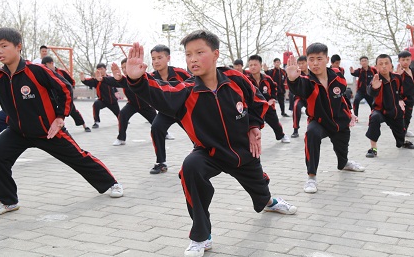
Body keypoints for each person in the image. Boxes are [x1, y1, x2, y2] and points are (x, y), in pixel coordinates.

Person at [125, 30, 297, 257]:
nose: (193, 59)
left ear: (215, 54)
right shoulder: (186, 91)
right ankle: (201, 236)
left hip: (242, 153)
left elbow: (257, 101)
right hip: (209, 153)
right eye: (188, 54)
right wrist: (136, 80)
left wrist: (254, 126)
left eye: (199, 52)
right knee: (190, 168)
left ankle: (270, 201)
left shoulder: (237, 79)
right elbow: (159, 93)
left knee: (262, 192)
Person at [0, 27, 123, 217]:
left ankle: (112, 183)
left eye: (4, 46)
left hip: (48, 131)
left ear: (18, 47)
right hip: (18, 132)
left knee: (78, 157)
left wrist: (59, 117)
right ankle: (8, 201)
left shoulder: (36, 71)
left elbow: (64, 88)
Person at [286, 42, 364, 194]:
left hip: (340, 120)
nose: (315, 63)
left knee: (342, 149)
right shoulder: (306, 81)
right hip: (319, 122)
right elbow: (298, 88)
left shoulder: (338, 76)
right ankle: (311, 177)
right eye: (311, 59)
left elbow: (343, 96)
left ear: (327, 59)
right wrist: (292, 79)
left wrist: (350, 112)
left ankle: (345, 163)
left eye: (319, 59)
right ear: (307, 61)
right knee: (311, 134)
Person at [147, 44, 191, 174]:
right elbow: (134, 83)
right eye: (153, 58)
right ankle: (161, 163)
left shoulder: (180, 73)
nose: (156, 61)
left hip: (184, 111)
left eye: (159, 57)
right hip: (166, 112)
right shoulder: (151, 76)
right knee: (156, 128)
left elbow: (196, 83)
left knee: (197, 134)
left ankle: (207, 157)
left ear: (168, 58)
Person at [96, 58, 157, 146]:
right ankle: (121, 138)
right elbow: (114, 81)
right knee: (122, 115)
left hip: (145, 105)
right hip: (132, 104)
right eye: (123, 68)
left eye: (126, 67)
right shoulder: (123, 80)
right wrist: (102, 79)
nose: (124, 70)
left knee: (156, 122)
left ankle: (165, 134)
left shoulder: (142, 77)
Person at [365, 54, 414, 158]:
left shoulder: (397, 78)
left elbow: (401, 91)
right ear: (376, 66)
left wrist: (401, 100)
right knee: (374, 118)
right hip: (380, 111)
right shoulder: (376, 79)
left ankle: (402, 141)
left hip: (394, 111)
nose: (384, 66)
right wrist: (374, 87)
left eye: (386, 63)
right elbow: (371, 92)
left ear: (391, 65)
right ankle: (373, 148)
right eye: (380, 64)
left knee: (400, 139)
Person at [248, 55, 290, 143]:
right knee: (252, 126)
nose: (252, 67)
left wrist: (273, 99)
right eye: (250, 65)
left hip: (268, 106)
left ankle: (282, 136)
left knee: (275, 123)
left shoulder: (267, 79)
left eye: (255, 65)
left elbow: (275, 87)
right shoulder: (246, 80)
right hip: (253, 108)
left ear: (260, 66)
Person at [42, 56, 91, 132]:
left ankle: (85, 126)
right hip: (53, 98)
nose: (45, 68)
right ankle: (58, 129)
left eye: (46, 66)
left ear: (51, 63)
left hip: (64, 96)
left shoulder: (62, 72)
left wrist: (70, 92)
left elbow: (72, 82)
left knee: (73, 111)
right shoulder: (45, 74)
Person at [80, 63, 120, 129]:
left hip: (112, 101)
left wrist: (116, 92)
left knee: (120, 116)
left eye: (101, 69)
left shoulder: (110, 78)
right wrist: (83, 79)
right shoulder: (96, 80)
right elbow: (87, 81)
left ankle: (122, 120)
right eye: (98, 69)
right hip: (102, 101)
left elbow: (115, 86)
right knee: (96, 104)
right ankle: (96, 122)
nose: (100, 71)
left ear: (105, 69)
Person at [397, 51, 414, 137]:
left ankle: (405, 131)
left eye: (407, 59)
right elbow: (394, 86)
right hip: (402, 99)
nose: (405, 62)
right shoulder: (398, 72)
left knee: (408, 117)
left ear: (410, 60)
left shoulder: (412, 71)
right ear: (399, 60)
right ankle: (401, 135)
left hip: (411, 98)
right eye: (403, 60)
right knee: (401, 117)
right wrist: (398, 75)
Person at [350, 56, 376, 120]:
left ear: (367, 61)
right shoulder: (359, 71)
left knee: (373, 105)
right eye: (362, 61)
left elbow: (378, 75)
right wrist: (352, 72)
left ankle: (373, 117)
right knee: (356, 100)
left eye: (365, 60)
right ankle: (355, 116)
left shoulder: (373, 70)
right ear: (360, 63)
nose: (364, 62)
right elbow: (354, 73)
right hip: (361, 91)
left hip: (370, 92)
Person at [291, 56, 309, 138]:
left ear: (307, 63)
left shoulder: (313, 73)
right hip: (300, 97)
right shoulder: (297, 74)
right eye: (299, 64)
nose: (301, 65)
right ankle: (295, 130)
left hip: (311, 98)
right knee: (296, 106)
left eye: (303, 63)